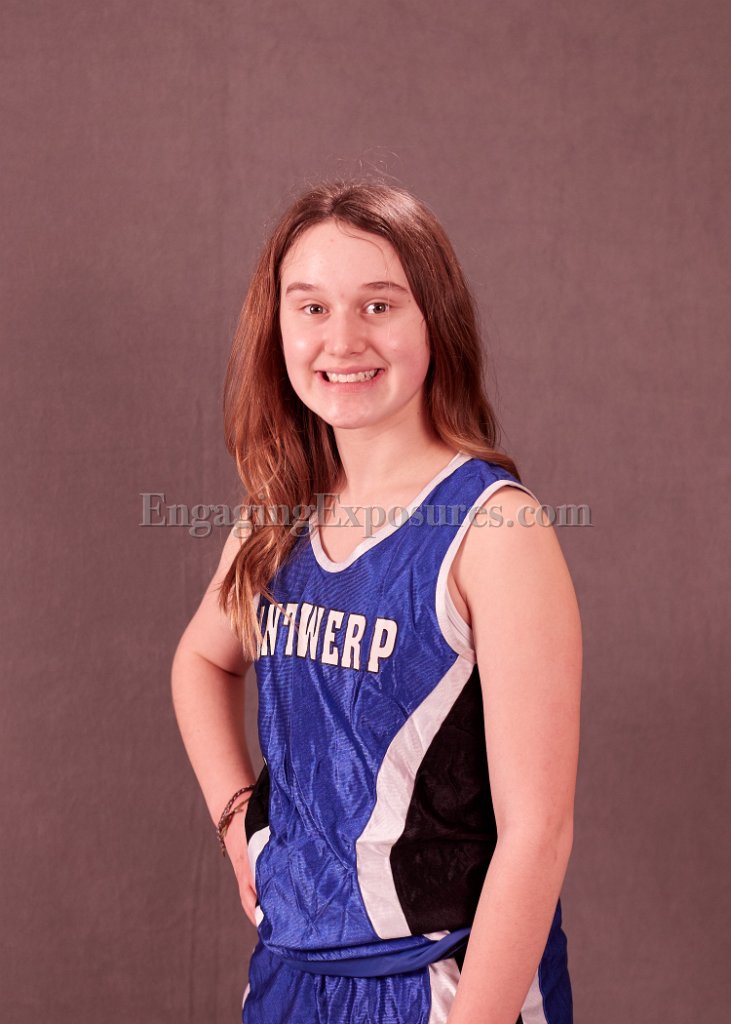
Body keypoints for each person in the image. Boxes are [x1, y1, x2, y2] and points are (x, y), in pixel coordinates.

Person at [171, 180, 582, 1024]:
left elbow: (537, 835)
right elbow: (201, 660)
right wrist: (237, 819)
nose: (342, 339)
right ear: (277, 326)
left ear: (435, 321)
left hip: (441, 977)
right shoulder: (277, 513)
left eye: (378, 305)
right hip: (289, 972)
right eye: (311, 307)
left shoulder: (491, 529)